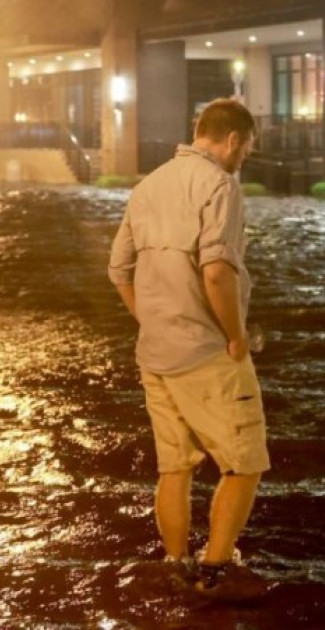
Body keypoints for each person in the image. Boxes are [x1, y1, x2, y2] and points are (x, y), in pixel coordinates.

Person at [108, 98, 269, 596]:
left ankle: (176, 564)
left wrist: (152, 319)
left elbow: (118, 271)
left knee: (174, 467)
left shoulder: (147, 185)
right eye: (247, 149)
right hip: (205, 353)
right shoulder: (221, 186)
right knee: (244, 463)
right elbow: (217, 271)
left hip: (155, 353)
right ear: (233, 140)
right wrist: (236, 336)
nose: (244, 159)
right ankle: (216, 570)